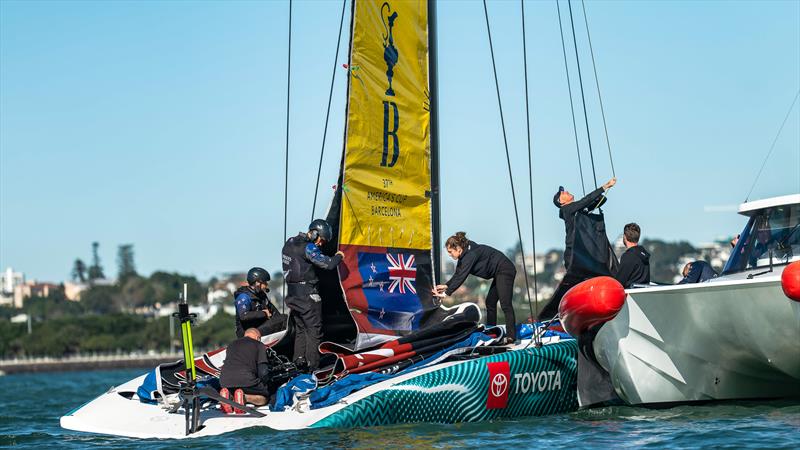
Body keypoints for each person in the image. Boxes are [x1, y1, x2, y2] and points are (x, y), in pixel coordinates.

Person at [538, 177, 617, 320]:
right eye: (563, 193)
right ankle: (555, 315)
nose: (567, 191)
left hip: (584, 254)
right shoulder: (567, 209)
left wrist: (601, 195)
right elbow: (585, 201)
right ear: (562, 202)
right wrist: (604, 187)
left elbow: (598, 201)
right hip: (574, 255)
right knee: (574, 285)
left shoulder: (577, 210)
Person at [282, 219, 344, 371]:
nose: (321, 244)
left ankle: (299, 363)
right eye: (321, 240)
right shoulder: (308, 247)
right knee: (314, 331)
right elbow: (328, 264)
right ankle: (313, 368)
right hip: (307, 295)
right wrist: (339, 256)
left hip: (292, 295)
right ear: (314, 233)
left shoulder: (289, 243)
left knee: (301, 330)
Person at [433, 232, 517, 343]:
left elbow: (462, 276)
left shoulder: (470, 255)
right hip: (498, 272)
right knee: (490, 302)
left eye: (450, 252)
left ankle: (511, 336)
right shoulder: (464, 254)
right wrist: (446, 285)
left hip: (505, 270)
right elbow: (458, 273)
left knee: (505, 304)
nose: (449, 254)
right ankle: (491, 332)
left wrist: (446, 293)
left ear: (458, 249)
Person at [219, 328, 270, 412]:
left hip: (225, 381)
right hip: (246, 380)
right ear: (258, 337)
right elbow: (263, 371)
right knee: (265, 396)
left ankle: (229, 397)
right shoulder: (258, 344)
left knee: (235, 390)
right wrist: (264, 382)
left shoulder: (231, 344)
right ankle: (244, 398)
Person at [234, 267, 287, 339]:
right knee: (283, 319)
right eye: (265, 283)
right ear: (257, 283)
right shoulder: (243, 296)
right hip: (247, 333)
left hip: (260, 327)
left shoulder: (262, 296)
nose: (266, 285)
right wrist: (264, 313)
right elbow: (244, 316)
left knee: (284, 318)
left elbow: (274, 313)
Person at [614, 223, 651, 288]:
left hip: (631, 294)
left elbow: (619, 283)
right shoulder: (644, 255)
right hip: (643, 293)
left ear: (625, 237)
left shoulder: (628, 256)